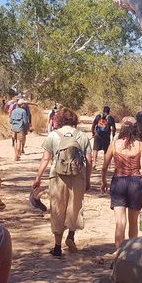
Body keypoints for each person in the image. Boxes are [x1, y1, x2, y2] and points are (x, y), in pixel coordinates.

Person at [32, 107, 91, 257]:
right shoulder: (82, 136)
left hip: (57, 176)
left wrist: (38, 178)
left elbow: (46, 158)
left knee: (58, 208)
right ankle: (71, 236)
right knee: (75, 206)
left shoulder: (53, 135)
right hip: (78, 176)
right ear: (75, 121)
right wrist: (88, 179)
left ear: (59, 120)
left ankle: (57, 246)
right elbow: (89, 160)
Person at [100, 117, 142, 250]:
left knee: (120, 223)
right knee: (133, 223)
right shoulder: (141, 146)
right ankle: (131, 256)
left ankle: (119, 256)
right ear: (135, 129)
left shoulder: (114, 145)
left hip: (118, 182)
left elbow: (104, 167)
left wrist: (104, 182)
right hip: (135, 184)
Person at [89, 106, 116, 172]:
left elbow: (93, 125)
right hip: (106, 136)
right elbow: (113, 128)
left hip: (97, 135)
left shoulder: (98, 116)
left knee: (95, 149)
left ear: (103, 110)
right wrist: (113, 134)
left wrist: (93, 133)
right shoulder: (110, 118)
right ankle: (105, 165)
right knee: (106, 150)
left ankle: (94, 163)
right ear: (109, 111)